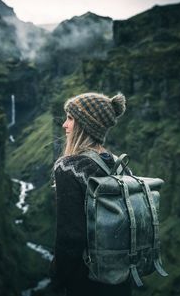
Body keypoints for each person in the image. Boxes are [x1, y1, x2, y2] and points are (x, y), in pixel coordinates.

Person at [50, 92, 132, 296]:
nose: (64, 125)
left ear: (84, 124)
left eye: (70, 118)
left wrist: (56, 281)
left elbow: (70, 238)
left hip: (85, 281)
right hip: (120, 279)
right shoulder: (119, 165)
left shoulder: (69, 167)